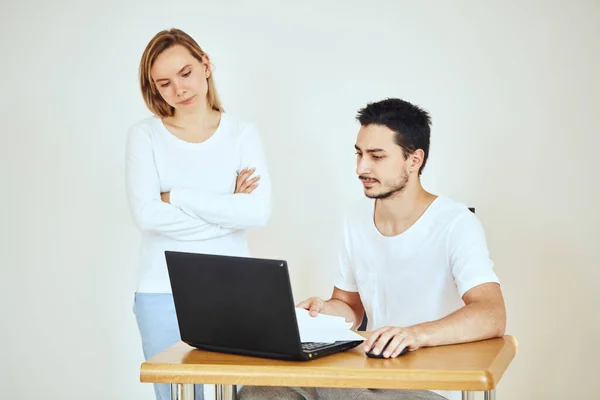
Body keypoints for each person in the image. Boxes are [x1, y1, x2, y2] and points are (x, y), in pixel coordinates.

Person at [238, 98, 505, 400]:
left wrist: (415, 334)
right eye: (359, 154)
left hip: (429, 385)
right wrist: (324, 311)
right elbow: (350, 306)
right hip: (368, 373)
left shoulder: (456, 223)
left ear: (414, 160)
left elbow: (491, 313)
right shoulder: (355, 218)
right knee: (259, 391)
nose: (361, 168)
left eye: (377, 157)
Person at [126, 28, 272, 400]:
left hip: (236, 286)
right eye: (164, 83)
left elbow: (256, 212)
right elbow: (147, 216)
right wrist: (227, 211)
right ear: (154, 88)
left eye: (186, 73)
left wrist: (175, 196)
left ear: (205, 65)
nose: (179, 89)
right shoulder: (145, 136)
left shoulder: (242, 133)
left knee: (243, 395)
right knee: (174, 395)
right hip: (162, 290)